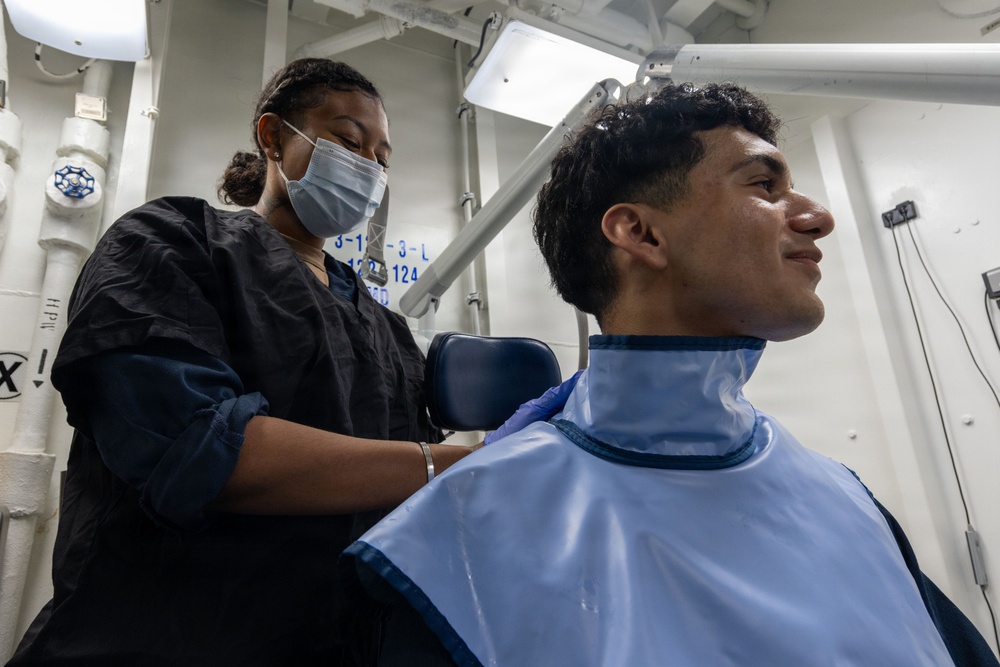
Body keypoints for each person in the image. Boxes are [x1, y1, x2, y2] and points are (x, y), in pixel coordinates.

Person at [342, 81, 1000, 666]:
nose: (818, 216)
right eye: (765, 185)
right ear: (641, 233)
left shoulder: (848, 498)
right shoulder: (460, 541)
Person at [7, 58, 490, 666]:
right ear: (273, 136)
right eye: (348, 140)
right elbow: (197, 451)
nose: (369, 167)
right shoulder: (172, 244)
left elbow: (403, 496)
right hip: (152, 639)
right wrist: (455, 465)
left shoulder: (385, 329)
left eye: (382, 158)